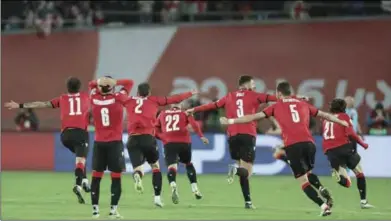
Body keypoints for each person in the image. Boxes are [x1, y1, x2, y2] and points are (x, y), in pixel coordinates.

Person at [219, 81, 350, 216]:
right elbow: (325, 115)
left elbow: (253, 117)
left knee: (303, 182)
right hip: (310, 144)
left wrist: (231, 121)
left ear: (279, 93)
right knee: (308, 173)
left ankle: (323, 206)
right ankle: (321, 188)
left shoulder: (275, 107)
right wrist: (341, 122)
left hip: (293, 146)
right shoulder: (302, 103)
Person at [186, 75, 278, 209]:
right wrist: (297, 99)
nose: (254, 86)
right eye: (252, 84)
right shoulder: (255, 95)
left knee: (242, 168)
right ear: (246, 85)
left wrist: (193, 109)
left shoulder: (229, 96)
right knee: (248, 171)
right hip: (248, 134)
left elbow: (212, 105)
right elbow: (276, 98)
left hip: (233, 135)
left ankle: (248, 201)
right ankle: (235, 171)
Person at [4, 77, 92, 203]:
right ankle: (79, 184)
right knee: (81, 159)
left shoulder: (62, 99)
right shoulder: (85, 98)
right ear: (79, 87)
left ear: (67, 88)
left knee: (80, 158)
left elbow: (42, 104)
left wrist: (20, 105)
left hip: (65, 135)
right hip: (80, 133)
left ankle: (84, 181)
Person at [124, 82, 196, 207]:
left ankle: (137, 176)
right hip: (148, 137)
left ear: (137, 92)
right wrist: (189, 93)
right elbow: (174, 99)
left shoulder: (128, 100)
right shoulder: (154, 100)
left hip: (132, 139)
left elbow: (115, 99)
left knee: (137, 168)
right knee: (155, 167)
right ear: (149, 92)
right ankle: (157, 198)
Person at [88, 76, 134, 218]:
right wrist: (115, 82)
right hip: (114, 143)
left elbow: (91, 84)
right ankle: (113, 210)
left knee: (96, 177)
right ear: (112, 87)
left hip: (99, 143)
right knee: (116, 177)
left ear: (100, 87)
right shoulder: (119, 97)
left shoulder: (93, 97)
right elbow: (130, 82)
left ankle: (95, 210)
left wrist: (100, 82)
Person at [322, 98, 374, 209]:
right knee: (359, 173)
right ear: (343, 108)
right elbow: (351, 134)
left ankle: (338, 176)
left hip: (331, 152)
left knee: (347, 183)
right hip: (343, 149)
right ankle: (363, 202)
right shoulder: (344, 116)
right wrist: (363, 144)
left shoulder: (326, 120)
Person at [155, 103, 209, 204]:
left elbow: (155, 130)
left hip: (169, 143)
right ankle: (194, 187)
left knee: (172, 166)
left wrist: (163, 137)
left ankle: (173, 185)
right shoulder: (185, 113)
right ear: (180, 106)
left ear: (171, 107)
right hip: (184, 142)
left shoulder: (162, 114)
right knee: (188, 163)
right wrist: (201, 136)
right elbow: (194, 124)